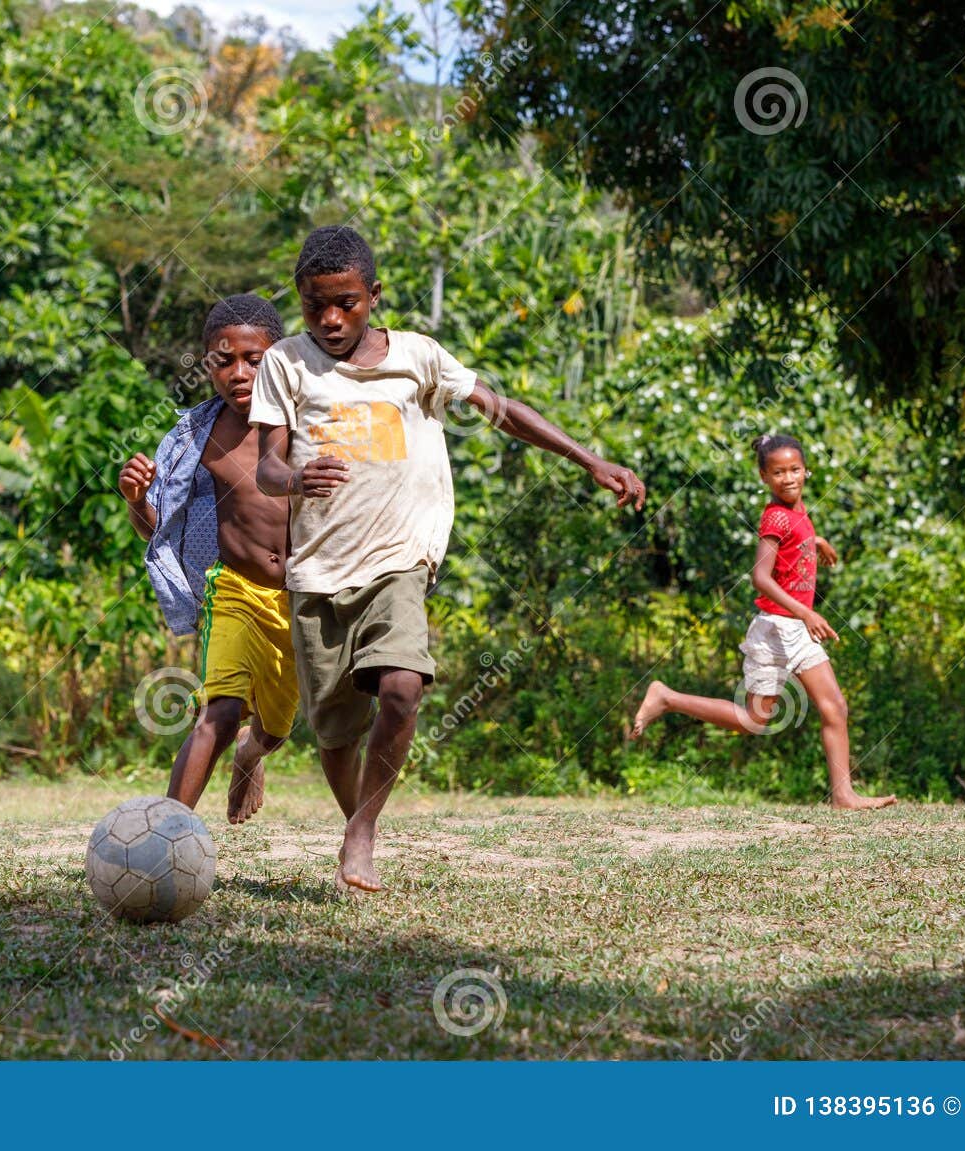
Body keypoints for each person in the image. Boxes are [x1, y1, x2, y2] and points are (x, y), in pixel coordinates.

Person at [249, 224, 646, 891]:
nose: (331, 317)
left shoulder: (420, 356)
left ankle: (363, 833)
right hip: (318, 569)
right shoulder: (286, 362)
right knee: (336, 736)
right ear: (300, 299)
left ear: (374, 295)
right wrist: (297, 478)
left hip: (401, 557)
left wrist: (590, 458)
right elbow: (265, 467)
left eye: (346, 301)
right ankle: (358, 819)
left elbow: (502, 410)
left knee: (403, 688)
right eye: (316, 304)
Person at [631, 432, 897, 810]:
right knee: (752, 721)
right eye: (778, 473)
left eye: (794, 470)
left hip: (795, 630)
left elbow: (797, 534)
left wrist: (815, 542)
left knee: (834, 707)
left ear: (807, 471)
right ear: (763, 477)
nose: (788, 478)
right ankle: (667, 698)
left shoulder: (798, 511)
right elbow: (761, 577)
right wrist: (806, 611)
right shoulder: (774, 516)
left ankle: (843, 796)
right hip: (776, 628)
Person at [119, 294, 297, 824]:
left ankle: (251, 754)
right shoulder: (195, 439)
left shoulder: (308, 422)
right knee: (216, 711)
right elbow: (161, 532)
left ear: (280, 358)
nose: (238, 373)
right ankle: (167, 835)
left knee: (277, 725)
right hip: (235, 588)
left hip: (304, 592)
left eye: (254, 360)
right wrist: (136, 500)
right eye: (223, 361)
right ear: (206, 366)